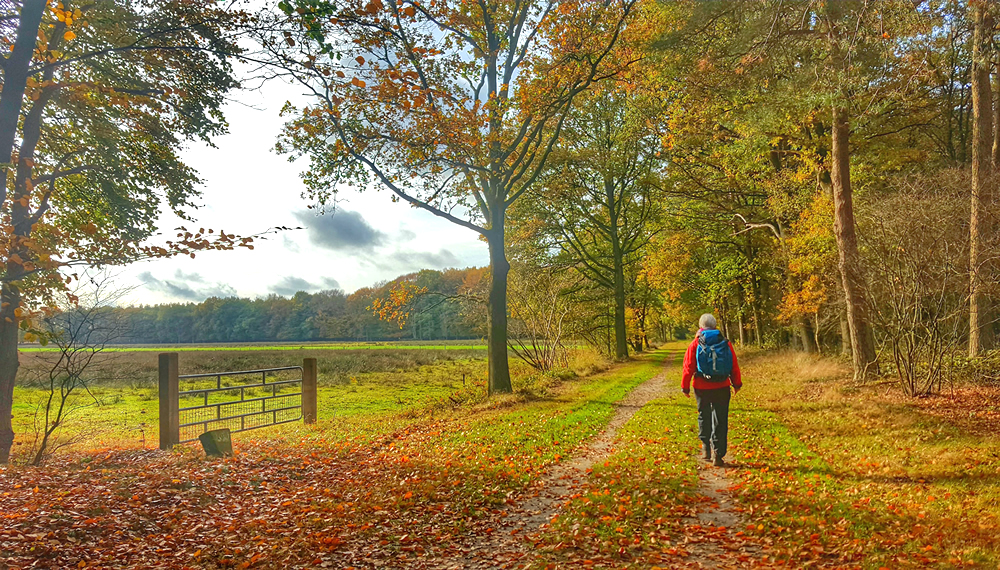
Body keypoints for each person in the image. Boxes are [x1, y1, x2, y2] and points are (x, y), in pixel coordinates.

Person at [681, 313, 742, 467]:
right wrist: (737, 383)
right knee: (721, 419)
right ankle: (718, 455)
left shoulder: (695, 343)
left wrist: (685, 386)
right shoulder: (725, 342)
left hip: (702, 386)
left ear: (701, 327)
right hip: (722, 386)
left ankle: (706, 447)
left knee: (704, 415)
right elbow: (733, 364)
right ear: (715, 326)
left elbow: (688, 367)